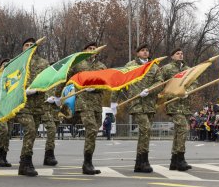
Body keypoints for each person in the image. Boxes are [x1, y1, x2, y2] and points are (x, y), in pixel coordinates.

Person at [55, 42, 107, 175]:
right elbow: (65, 79)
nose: (93, 50)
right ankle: (87, 163)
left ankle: (88, 161)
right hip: (83, 102)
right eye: (90, 48)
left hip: (97, 103)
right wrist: (58, 96)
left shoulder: (101, 66)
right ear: (84, 50)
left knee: (95, 129)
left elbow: (107, 84)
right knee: (91, 129)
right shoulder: (78, 64)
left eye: (95, 48)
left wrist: (96, 87)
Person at [111, 44, 163, 173]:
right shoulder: (130, 66)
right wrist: (113, 102)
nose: (145, 52)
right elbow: (119, 82)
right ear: (137, 53)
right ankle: (144, 161)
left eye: (147, 50)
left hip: (150, 104)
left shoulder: (153, 66)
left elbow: (161, 82)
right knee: (145, 129)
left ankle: (140, 162)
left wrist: (149, 90)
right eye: (142, 50)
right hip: (136, 103)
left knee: (145, 133)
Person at [15, 38, 53, 177]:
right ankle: (25, 162)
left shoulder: (43, 63)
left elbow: (50, 81)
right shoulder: (17, 63)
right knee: (30, 129)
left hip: (38, 104)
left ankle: (26, 162)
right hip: (22, 102)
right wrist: (22, 91)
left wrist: (50, 97)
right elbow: (9, 82)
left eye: (32, 45)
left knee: (32, 133)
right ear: (22, 48)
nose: (30, 47)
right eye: (27, 45)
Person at [160, 48, 194, 171]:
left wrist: (188, 91)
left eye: (181, 53)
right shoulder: (167, 68)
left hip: (185, 104)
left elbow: (194, 82)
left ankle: (174, 161)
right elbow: (160, 83)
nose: (180, 55)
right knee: (183, 128)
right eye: (177, 54)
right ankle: (180, 158)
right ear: (172, 56)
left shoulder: (187, 69)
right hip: (173, 103)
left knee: (179, 132)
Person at [0, 58, 12, 167]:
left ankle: (3, 156)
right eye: (4, 65)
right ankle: (0, 156)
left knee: (8, 133)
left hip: (9, 109)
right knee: (4, 130)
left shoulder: (12, 79)